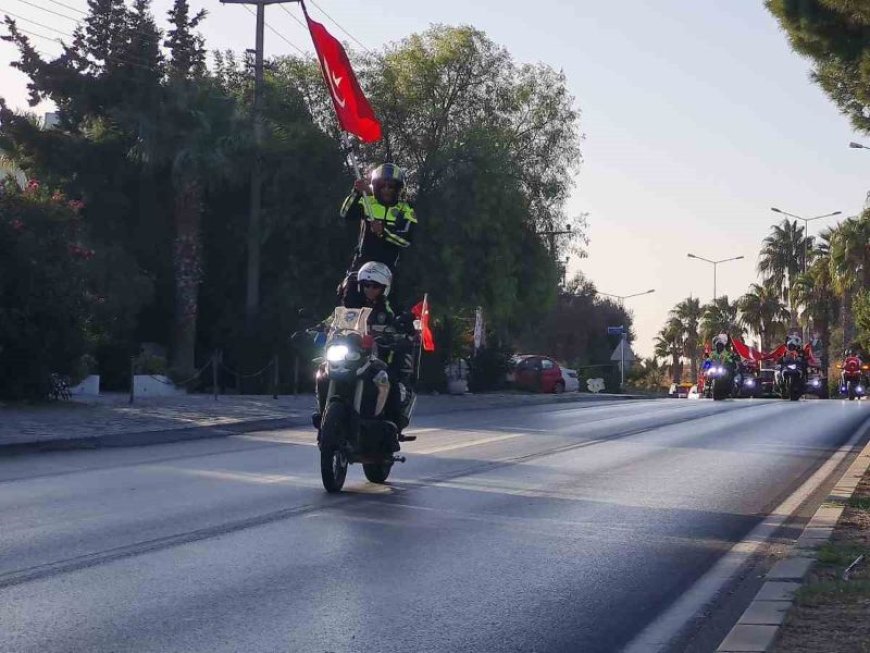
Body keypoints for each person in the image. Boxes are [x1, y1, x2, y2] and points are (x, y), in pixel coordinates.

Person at [318, 262, 417, 437]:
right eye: (366, 285)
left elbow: (402, 322)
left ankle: (393, 425)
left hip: (377, 354)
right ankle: (323, 415)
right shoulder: (349, 302)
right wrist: (320, 327)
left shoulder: (388, 307)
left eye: (376, 286)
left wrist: (403, 328)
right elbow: (335, 318)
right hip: (351, 353)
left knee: (389, 379)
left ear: (384, 288)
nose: (370, 289)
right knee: (322, 372)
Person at [338, 163, 417, 305]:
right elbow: (345, 213)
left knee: (392, 309)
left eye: (391, 186)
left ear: (398, 189)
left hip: (388, 269)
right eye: (382, 185)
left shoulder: (406, 209)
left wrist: (384, 231)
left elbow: (406, 240)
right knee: (348, 299)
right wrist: (356, 192)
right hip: (361, 265)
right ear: (376, 187)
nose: (386, 189)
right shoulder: (367, 202)